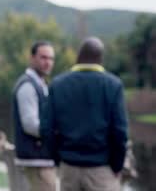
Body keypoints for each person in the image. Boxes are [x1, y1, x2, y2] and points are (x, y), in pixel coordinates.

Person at [41, 37, 128, 191]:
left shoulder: (58, 84)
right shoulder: (113, 85)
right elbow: (120, 132)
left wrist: (58, 159)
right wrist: (117, 165)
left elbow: (46, 129)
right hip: (102, 169)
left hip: (69, 168)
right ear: (100, 59)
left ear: (78, 57)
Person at [12, 41, 57, 191]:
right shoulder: (28, 86)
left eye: (51, 58)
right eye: (43, 57)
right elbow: (30, 124)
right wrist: (57, 132)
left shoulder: (41, 84)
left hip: (42, 160)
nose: (48, 62)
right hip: (36, 160)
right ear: (32, 58)